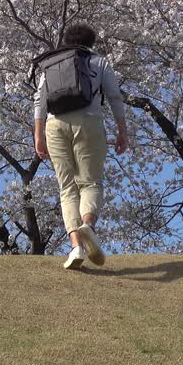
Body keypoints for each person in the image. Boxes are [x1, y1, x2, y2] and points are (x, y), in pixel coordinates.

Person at [33, 23, 130, 270]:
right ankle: (88, 225)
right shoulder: (98, 62)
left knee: (66, 188)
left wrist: (38, 136)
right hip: (89, 122)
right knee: (90, 182)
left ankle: (76, 247)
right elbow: (114, 96)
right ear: (91, 42)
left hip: (55, 125)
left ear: (66, 41)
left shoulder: (51, 63)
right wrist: (122, 130)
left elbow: (39, 101)